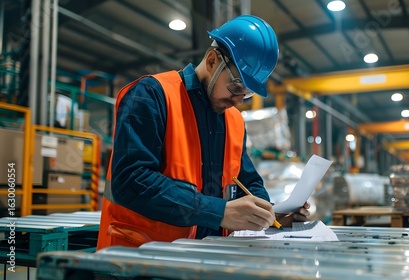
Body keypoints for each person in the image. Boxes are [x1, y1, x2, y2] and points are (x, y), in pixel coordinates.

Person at [97, 15, 309, 249]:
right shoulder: (151, 95)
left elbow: (247, 183)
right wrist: (218, 212)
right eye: (236, 86)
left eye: (247, 93)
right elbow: (131, 180)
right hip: (139, 258)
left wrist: (270, 216)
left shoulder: (234, 121)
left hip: (202, 256)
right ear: (211, 61)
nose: (239, 100)